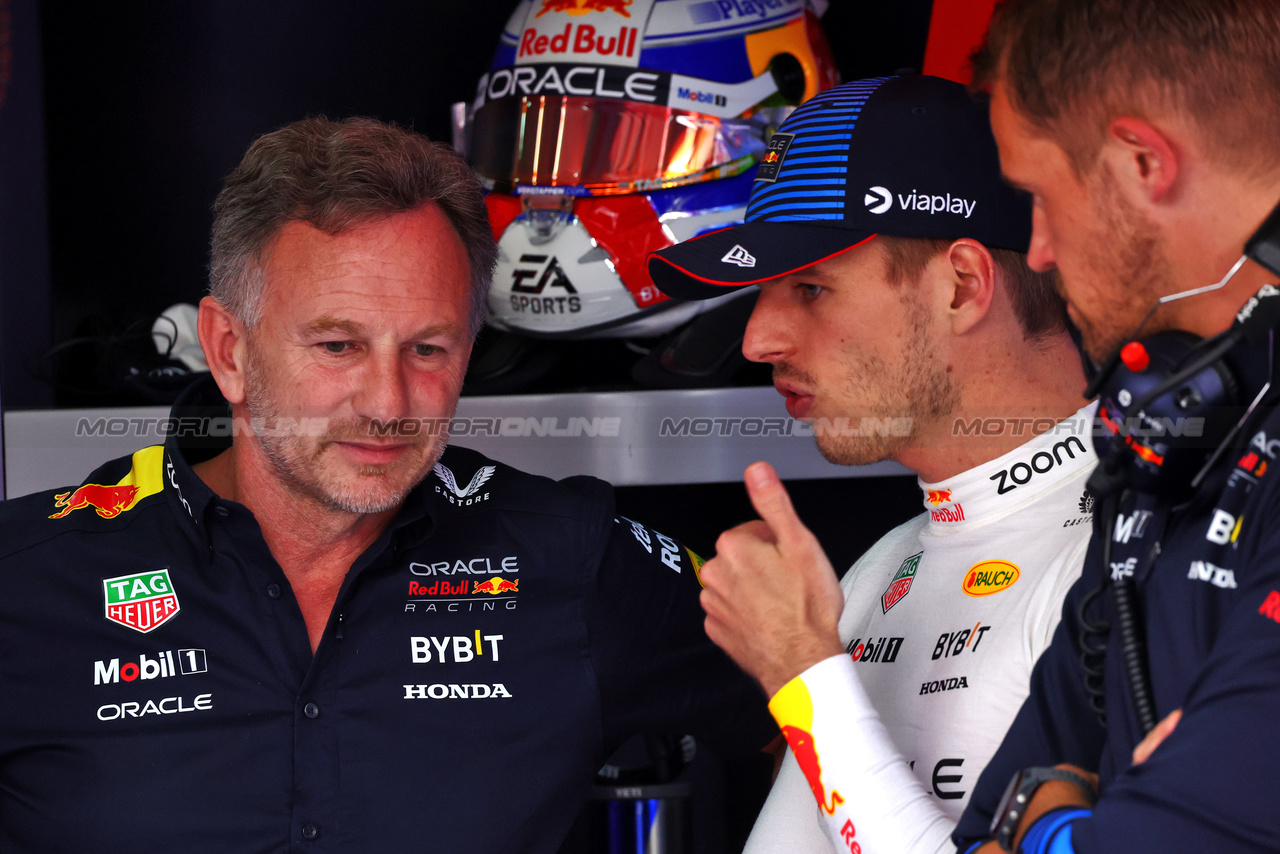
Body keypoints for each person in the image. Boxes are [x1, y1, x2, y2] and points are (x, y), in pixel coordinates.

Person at [0, 117, 776, 852]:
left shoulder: (571, 557)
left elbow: (827, 721)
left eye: (428, 350)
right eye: (338, 345)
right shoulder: (28, 578)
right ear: (229, 351)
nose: (387, 403)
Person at [647, 74, 1097, 854]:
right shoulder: (882, 567)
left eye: (811, 288)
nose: (757, 342)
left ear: (962, 287)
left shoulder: (1124, 567)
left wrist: (802, 673)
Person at [950, 1, 1280, 852]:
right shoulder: (1171, 425)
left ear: (1142, 162)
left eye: (1039, 196)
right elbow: (989, 818)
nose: (1041, 249)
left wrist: (1057, 823)